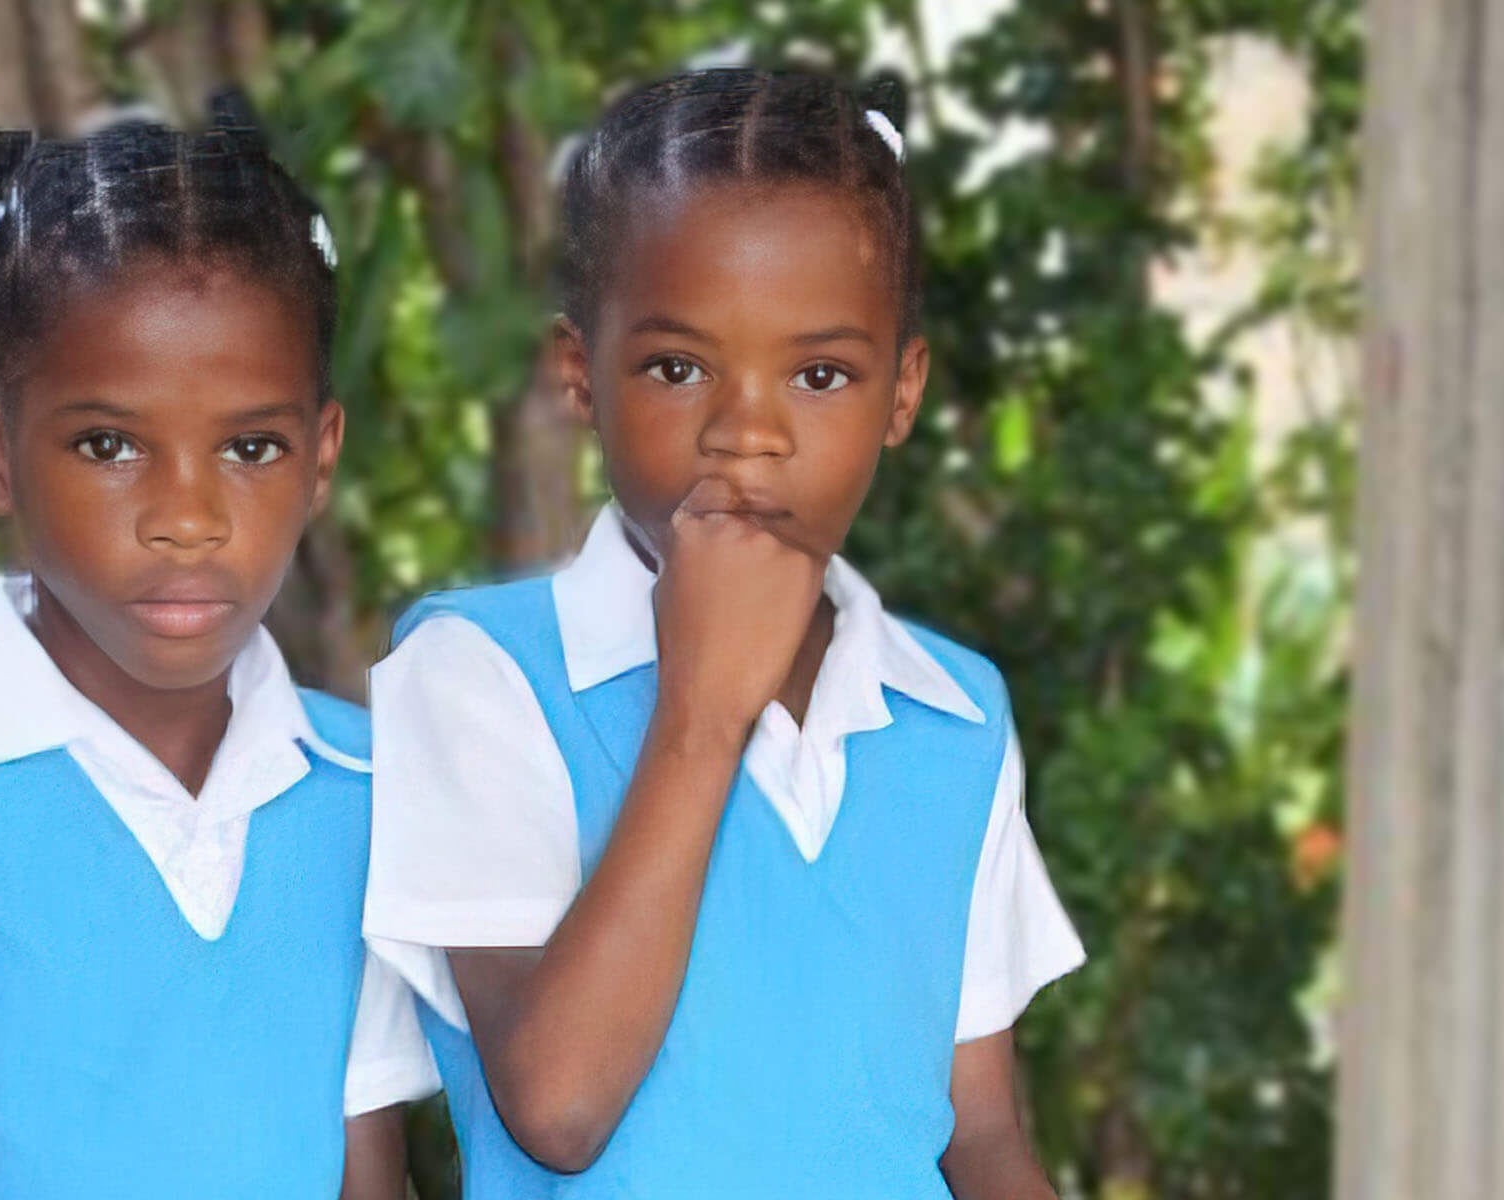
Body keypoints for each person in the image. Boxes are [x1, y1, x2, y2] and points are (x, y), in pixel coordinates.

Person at [364, 68, 1083, 1198]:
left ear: (901, 393)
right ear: (579, 377)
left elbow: (979, 1135)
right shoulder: (476, 676)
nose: (747, 433)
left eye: (819, 373)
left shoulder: (954, 716)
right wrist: (701, 710)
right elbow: (555, 1106)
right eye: (677, 367)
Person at [0, 106, 436, 1200]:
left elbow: (366, 1181)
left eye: (250, 447)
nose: (186, 517)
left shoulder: (365, 792)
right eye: (109, 445)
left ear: (321, 457)